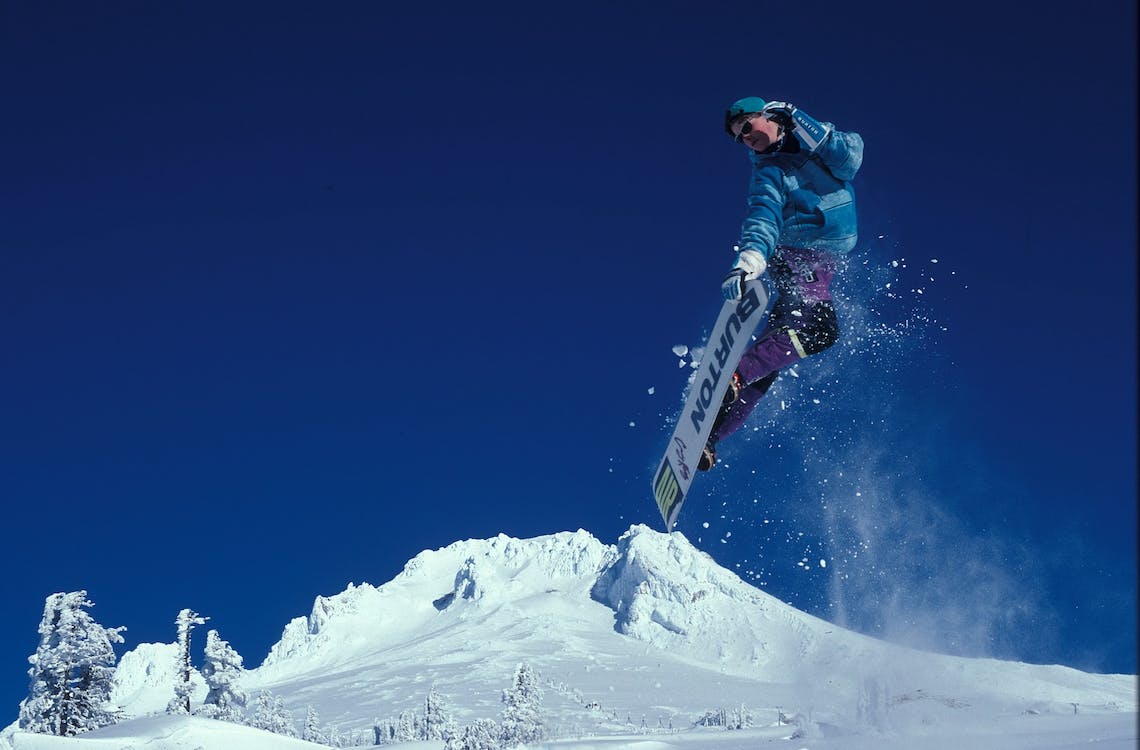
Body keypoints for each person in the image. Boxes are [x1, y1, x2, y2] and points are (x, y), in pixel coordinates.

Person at [700, 96, 864, 470]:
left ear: (769, 116)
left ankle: (710, 434)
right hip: (796, 257)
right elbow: (763, 217)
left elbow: (850, 159)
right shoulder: (768, 172)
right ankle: (736, 375)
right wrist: (750, 261)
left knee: (775, 354)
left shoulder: (818, 144)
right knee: (819, 331)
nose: (745, 139)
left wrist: (800, 119)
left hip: (820, 265)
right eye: (738, 137)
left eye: (746, 127)